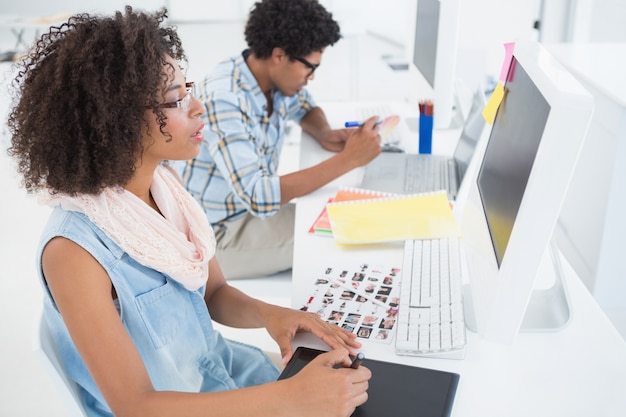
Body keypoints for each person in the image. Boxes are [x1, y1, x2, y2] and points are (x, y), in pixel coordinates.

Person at [7, 7, 370, 417]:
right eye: (176, 100)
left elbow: (213, 294)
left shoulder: (167, 187)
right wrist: (291, 399)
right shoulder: (73, 253)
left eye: (189, 89)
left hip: (220, 376)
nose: (199, 108)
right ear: (117, 118)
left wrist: (276, 316)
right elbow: (136, 405)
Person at [174, 0, 382, 279]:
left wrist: (324, 132)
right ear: (279, 55)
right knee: (348, 229)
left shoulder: (271, 78)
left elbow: (305, 107)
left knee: (346, 215)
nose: (311, 78)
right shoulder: (224, 98)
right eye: (310, 67)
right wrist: (349, 159)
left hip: (247, 212)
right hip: (217, 236)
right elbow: (259, 196)